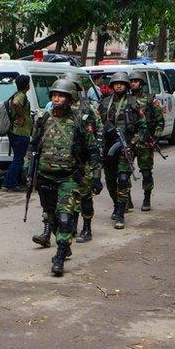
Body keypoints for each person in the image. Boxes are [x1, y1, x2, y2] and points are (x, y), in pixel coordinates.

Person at [25, 79, 100, 276]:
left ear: (70, 98)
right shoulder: (42, 118)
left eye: (61, 95)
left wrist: (95, 176)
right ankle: (64, 244)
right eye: (54, 95)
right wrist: (27, 169)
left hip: (69, 178)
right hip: (45, 178)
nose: (57, 98)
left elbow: (92, 150)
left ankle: (59, 257)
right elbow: (33, 145)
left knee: (66, 218)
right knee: (52, 218)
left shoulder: (80, 120)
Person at [36, 72, 104, 245]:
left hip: (82, 162)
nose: (59, 96)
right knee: (52, 200)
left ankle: (86, 226)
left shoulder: (88, 110)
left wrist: (96, 169)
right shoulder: (50, 112)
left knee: (85, 195)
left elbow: (98, 136)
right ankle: (56, 231)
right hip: (57, 164)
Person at [96, 72, 147, 230]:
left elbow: (143, 127)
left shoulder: (133, 103)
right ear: (112, 86)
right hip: (108, 148)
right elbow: (96, 123)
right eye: (116, 83)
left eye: (122, 84)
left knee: (123, 179)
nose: (119, 86)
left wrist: (132, 143)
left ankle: (120, 213)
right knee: (110, 182)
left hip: (125, 148)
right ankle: (116, 204)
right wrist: (104, 131)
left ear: (126, 86)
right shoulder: (104, 103)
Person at [128, 70, 164, 212]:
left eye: (136, 81)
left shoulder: (151, 100)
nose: (133, 84)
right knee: (124, 172)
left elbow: (160, 121)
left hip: (145, 140)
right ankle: (127, 199)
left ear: (142, 83)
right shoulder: (126, 99)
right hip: (129, 140)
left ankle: (147, 198)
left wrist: (155, 138)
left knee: (146, 171)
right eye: (131, 81)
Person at [3, 75, 32, 192]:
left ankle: (10, 182)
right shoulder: (20, 95)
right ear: (27, 86)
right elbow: (16, 103)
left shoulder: (17, 94)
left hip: (16, 132)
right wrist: (21, 116)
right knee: (18, 159)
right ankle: (10, 184)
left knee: (18, 158)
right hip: (20, 132)